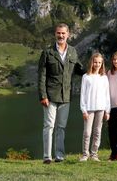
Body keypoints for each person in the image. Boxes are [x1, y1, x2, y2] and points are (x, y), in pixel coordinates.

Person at [38, 23, 84, 164]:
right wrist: (43, 95)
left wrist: (95, 73)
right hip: (50, 95)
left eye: (63, 33)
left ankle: (59, 155)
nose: (61, 36)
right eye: (58, 33)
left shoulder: (73, 52)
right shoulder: (47, 53)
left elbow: (79, 69)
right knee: (49, 126)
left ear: (68, 34)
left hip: (66, 96)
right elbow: (41, 76)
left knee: (61, 127)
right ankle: (47, 156)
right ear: (55, 34)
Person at [79, 52, 110, 162]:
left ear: (102, 64)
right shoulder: (86, 77)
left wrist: (107, 111)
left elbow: (107, 95)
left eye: (99, 62)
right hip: (89, 109)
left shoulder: (104, 77)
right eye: (95, 62)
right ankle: (85, 154)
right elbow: (82, 94)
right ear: (92, 63)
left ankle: (94, 154)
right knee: (87, 132)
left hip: (101, 108)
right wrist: (83, 110)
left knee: (97, 132)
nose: (97, 64)